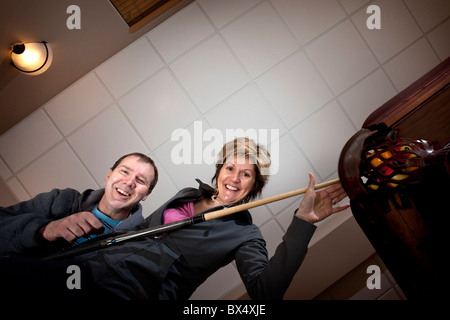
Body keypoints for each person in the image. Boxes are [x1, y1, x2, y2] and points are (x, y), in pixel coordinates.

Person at [0, 138, 348, 300]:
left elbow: (263, 295)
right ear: (219, 170)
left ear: (255, 186)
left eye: (247, 175)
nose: (234, 178)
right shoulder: (186, 193)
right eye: (230, 168)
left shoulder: (246, 236)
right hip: (88, 270)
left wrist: (303, 224)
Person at [0, 152, 159, 257]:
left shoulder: (138, 243)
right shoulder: (61, 199)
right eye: (124, 171)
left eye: (140, 180)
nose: (129, 182)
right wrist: (43, 231)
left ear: (147, 195)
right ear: (109, 175)